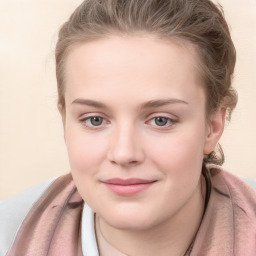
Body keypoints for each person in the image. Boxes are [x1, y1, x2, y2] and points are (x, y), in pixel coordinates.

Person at [1, 0, 256, 255]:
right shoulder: (8, 237)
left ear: (213, 125)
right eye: (95, 120)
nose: (123, 154)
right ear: (65, 121)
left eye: (161, 120)